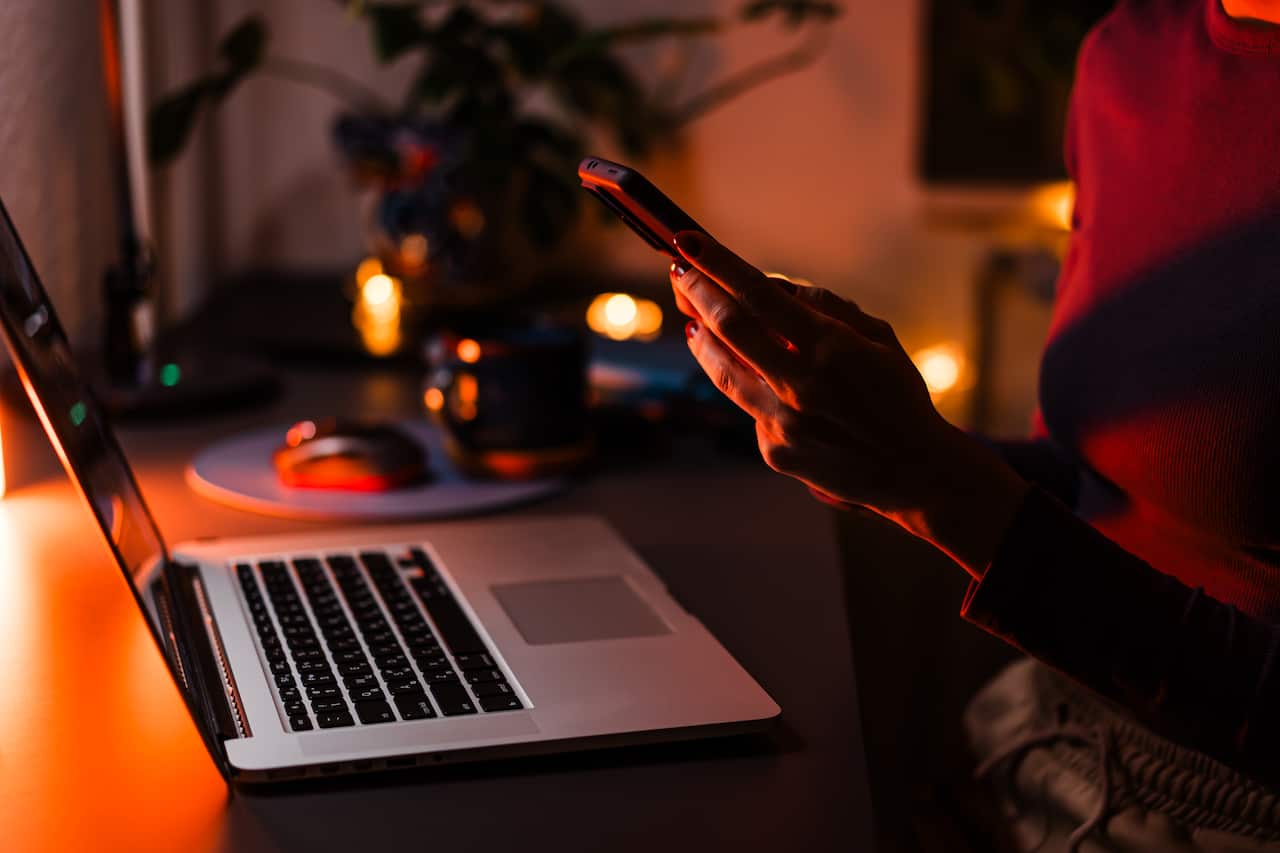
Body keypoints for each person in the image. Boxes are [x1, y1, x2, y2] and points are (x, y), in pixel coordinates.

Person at [666, 0, 1280, 849]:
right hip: (1032, 742)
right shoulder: (1133, 54)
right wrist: (877, 448)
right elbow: (1101, 485)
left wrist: (931, 478)